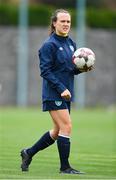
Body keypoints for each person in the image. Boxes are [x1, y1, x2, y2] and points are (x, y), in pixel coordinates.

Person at [20, 9, 92, 174]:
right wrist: (61, 89)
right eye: (62, 21)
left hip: (65, 93)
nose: (66, 24)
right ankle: (65, 167)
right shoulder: (49, 45)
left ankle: (28, 153)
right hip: (54, 93)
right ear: (54, 23)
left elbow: (69, 70)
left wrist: (82, 69)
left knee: (57, 131)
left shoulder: (71, 43)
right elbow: (45, 71)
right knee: (67, 126)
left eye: (68, 21)